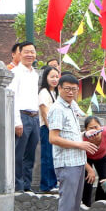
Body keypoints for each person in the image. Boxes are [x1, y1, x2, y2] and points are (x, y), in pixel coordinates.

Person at [48, 74, 98, 211]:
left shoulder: (71, 108)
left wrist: (86, 136)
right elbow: (53, 138)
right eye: (67, 88)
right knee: (67, 205)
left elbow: (72, 136)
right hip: (66, 163)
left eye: (74, 89)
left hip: (77, 161)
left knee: (75, 205)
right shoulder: (57, 109)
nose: (70, 92)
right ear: (59, 88)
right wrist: (80, 144)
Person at [8, 41, 41, 192]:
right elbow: (12, 98)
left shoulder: (35, 74)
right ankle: (18, 187)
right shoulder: (15, 73)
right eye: (26, 52)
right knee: (18, 155)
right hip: (22, 116)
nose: (29, 55)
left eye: (32, 52)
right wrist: (17, 122)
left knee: (30, 155)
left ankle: (27, 187)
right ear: (19, 54)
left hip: (34, 117)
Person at [38, 65, 60, 193]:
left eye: (57, 77)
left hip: (53, 129)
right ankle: (46, 185)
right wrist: (50, 128)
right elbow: (44, 111)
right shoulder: (44, 92)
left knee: (53, 157)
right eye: (52, 77)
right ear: (46, 78)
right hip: (47, 128)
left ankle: (53, 183)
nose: (55, 79)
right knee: (47, 157)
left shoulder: (55, 93)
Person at [81, 116, 106, 206]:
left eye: (96, 127)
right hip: (86, 158)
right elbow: (78, 156)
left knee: (104, 181)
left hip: (102, 157)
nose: (94, 130)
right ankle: (85, 205)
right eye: (91, 128)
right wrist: (90, 170)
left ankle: (101, 205)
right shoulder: (82, 138)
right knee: (88, 180)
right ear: (86, 130)